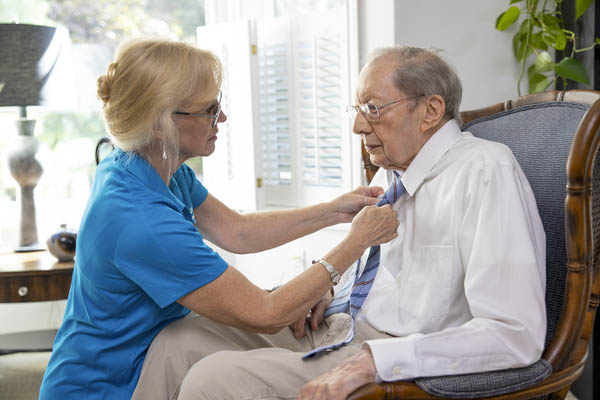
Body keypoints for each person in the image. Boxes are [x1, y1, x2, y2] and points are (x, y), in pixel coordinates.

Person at [132, 45, 547, 400]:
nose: (357, 126)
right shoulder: (396, 172)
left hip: (392, 354)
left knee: (213, 378)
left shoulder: (484, 171)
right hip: (339, 325)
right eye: (358, 109)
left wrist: (375, 362)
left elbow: (514, 333)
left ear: (431, 111)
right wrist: (332, 289)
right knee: (178, 342)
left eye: (372, 108)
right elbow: (393, 278)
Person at [38, 38, 399, 400]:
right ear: (160, 123)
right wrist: (355, 243)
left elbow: (237, 231)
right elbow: (266, 312)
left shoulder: (151, 166)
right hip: (106, 386)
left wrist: (333, 210)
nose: (221, 118)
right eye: (209, 109)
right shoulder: (139, 220)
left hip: (150, 361)